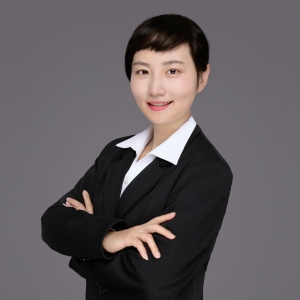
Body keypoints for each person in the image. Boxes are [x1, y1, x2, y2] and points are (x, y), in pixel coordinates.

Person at [41, 13, 233, 300]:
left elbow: (150, 281)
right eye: (143, 71)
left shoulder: (207, 171)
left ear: (202, 77)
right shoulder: (116, 153)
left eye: (172, 71)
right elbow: (53, 223)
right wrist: (112, 238)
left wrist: (87, 245)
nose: (155, 88)